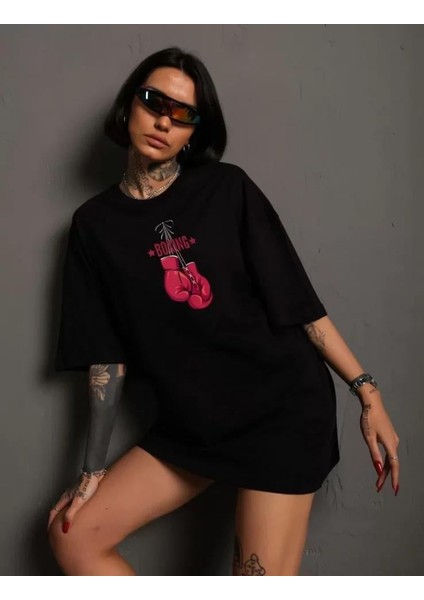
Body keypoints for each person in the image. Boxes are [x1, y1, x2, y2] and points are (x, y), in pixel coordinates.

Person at [47, 46, 400, 576]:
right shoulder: (93, 225)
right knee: (73, 538)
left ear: (194, 132)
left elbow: (299, 306)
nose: (164, 121)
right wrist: (91, 469)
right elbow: (107, 359)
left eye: (183, 114)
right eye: (154, 101)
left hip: (278, 409)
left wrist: (367, 393)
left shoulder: (227, 188)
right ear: (128, 105)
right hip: (194, 422)